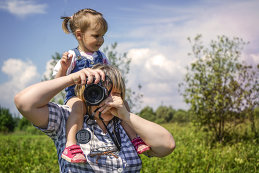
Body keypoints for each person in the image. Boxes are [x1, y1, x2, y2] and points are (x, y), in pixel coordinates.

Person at [14, 64, 175, 172]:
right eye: (101, 93)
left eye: (116, 94)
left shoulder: (127, 125)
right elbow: (24, 102)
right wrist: (72, 78)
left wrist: (126, 116)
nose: (109, 100)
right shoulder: (69, 119)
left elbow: (167, 145)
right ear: (88, 93)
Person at [53, 8, 149, 163]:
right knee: (77, 108)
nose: (101, 40)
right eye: (96, 36)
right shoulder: (71, 56)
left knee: (122, 104)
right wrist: (64, 68)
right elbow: (56, 82)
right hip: (77, 96)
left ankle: (134, 138)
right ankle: (71, 146)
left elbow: (109, 77)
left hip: (100, 96)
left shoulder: (101, 56)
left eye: (103, 36)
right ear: (79, 35)